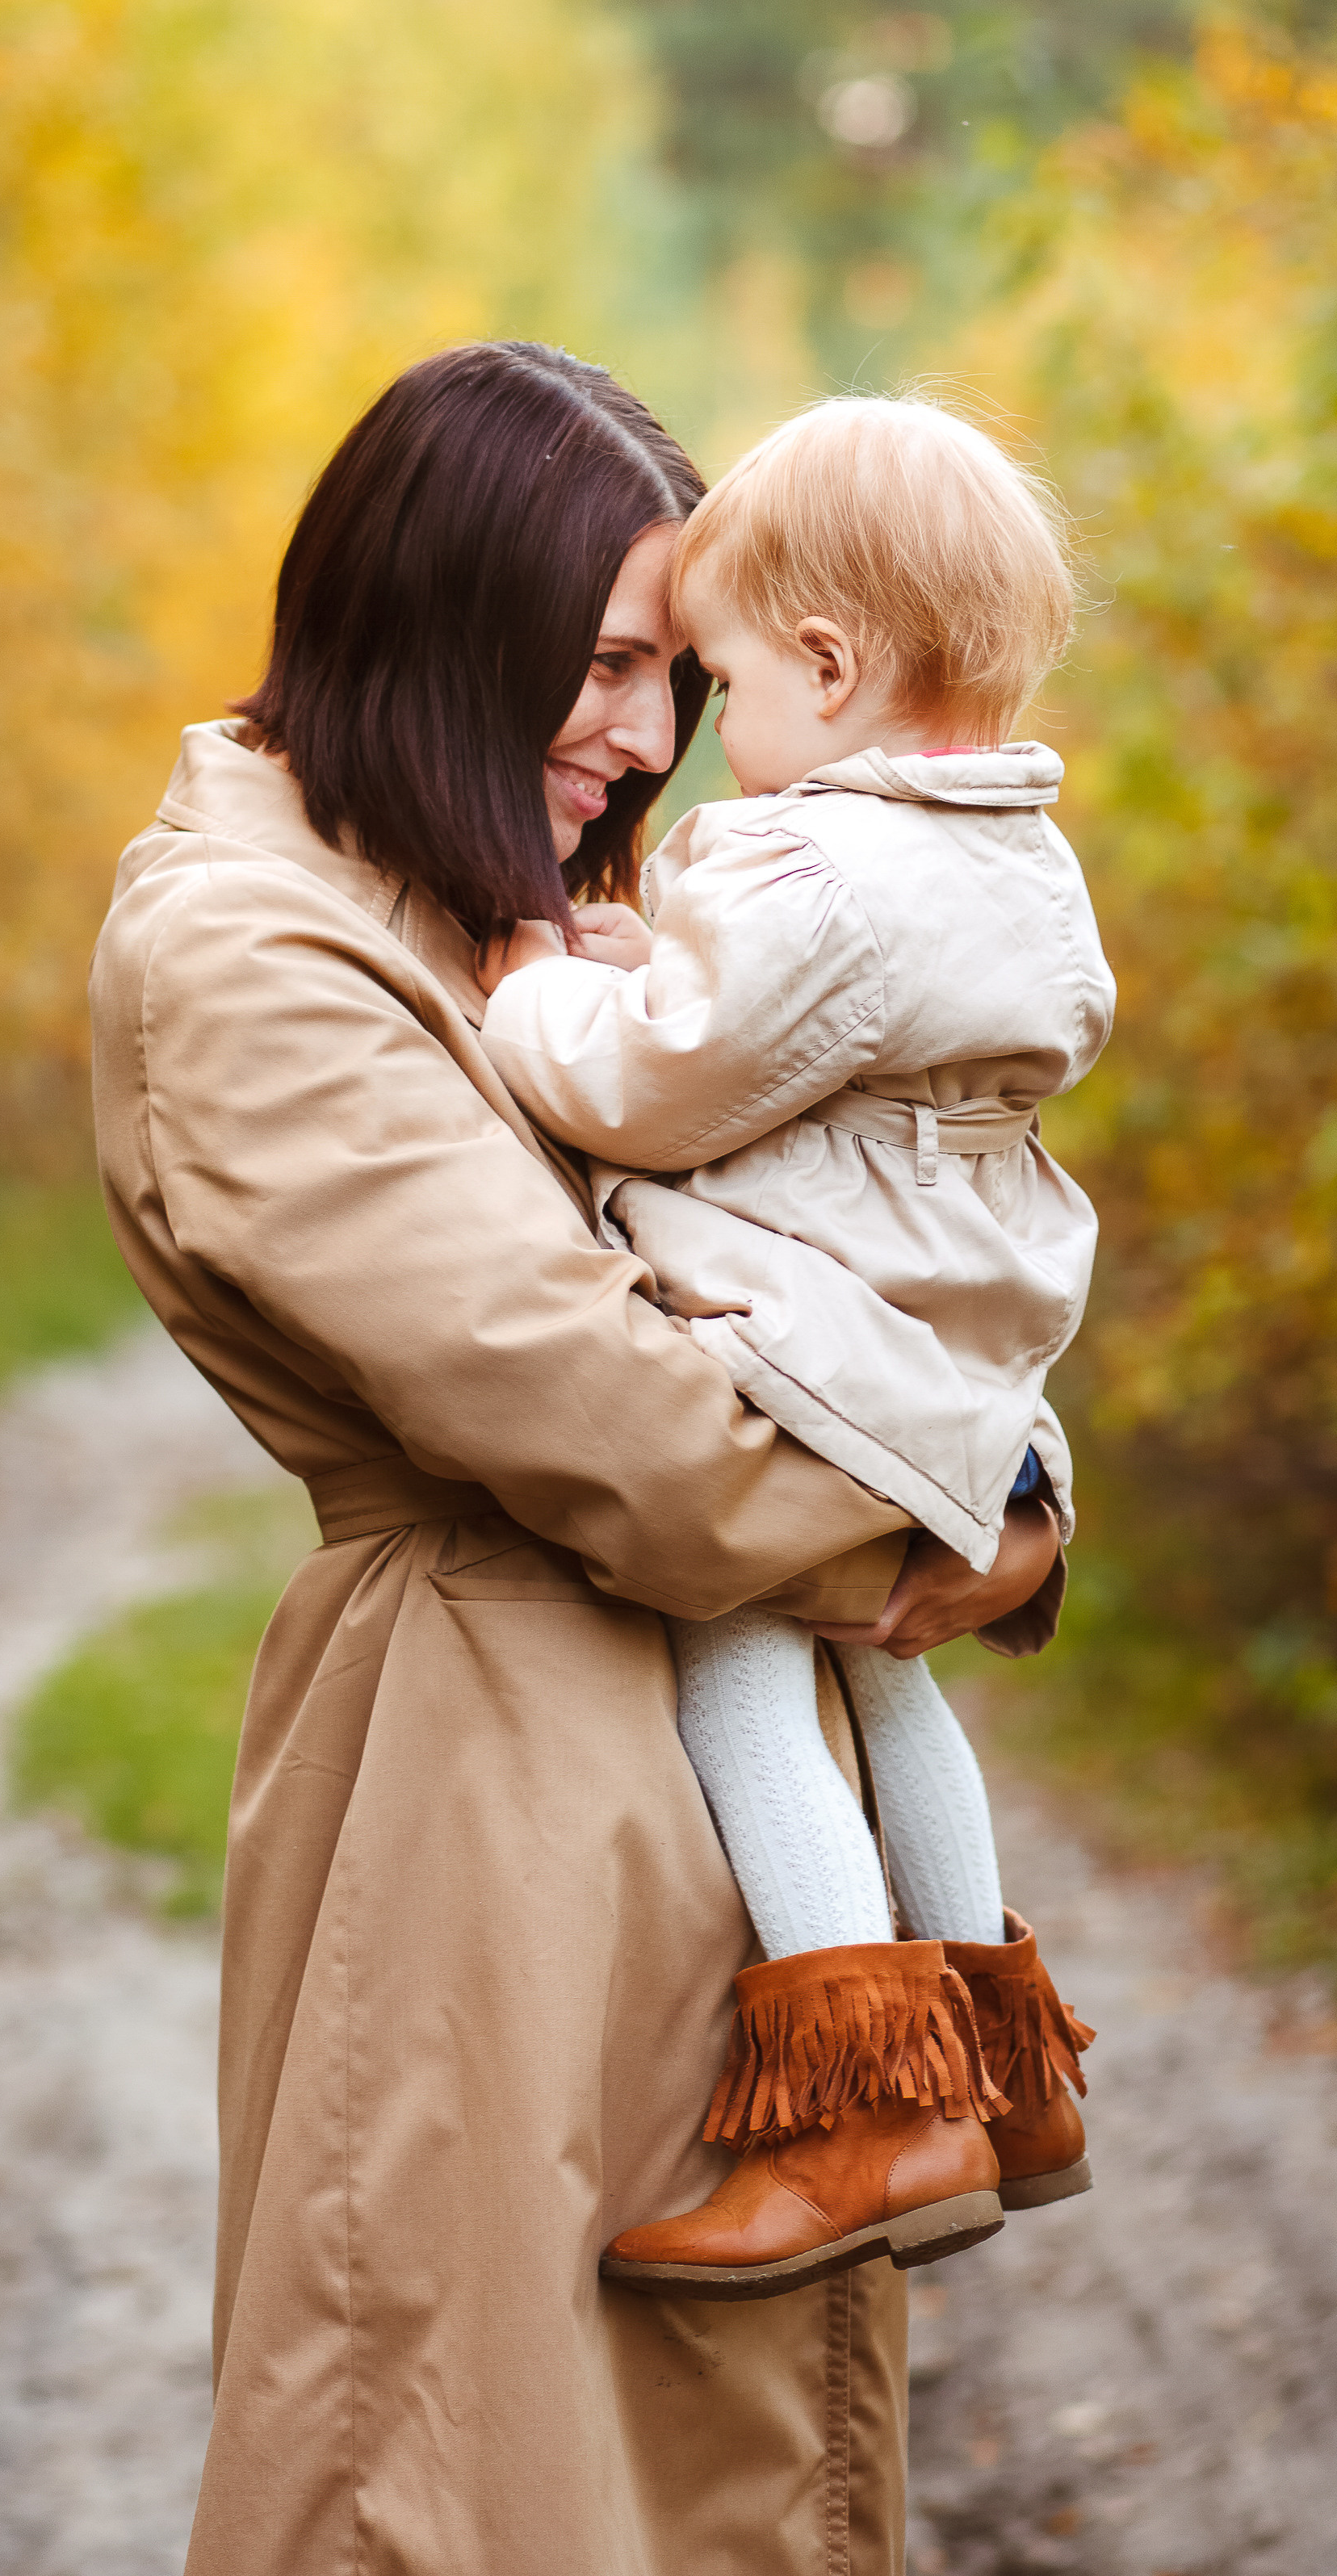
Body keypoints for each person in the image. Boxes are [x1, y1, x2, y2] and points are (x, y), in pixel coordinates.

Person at [88, 343, 1062, 2576]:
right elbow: (613, 1413)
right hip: (489, 1801)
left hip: (685, 1775)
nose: (642, 734)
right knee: (456, 2458)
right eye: (608, 662)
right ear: (442, 607)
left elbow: (859, 1254)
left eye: (670, 677)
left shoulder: (489, 909)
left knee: (694, 2463)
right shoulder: (251, 949)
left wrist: (1011, 1495)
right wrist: (975, 1515)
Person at [478, 395, 1109, 2298]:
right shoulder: (1015, 860)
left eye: (728, 679)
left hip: (826, 1355)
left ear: (826, 665)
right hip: (958, 1360)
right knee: (893, 1685)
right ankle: (1004, 2067)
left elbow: (671, 1092)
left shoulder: (805, 863)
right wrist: (643, 973)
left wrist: (527, 1006)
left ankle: (860, 2112)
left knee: (744, 1672)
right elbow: (810, 1050)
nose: (703, 736)